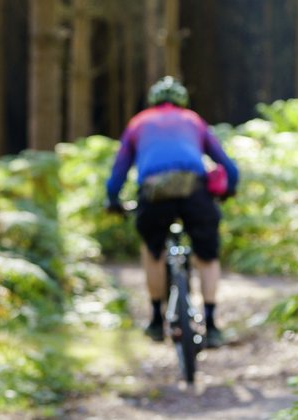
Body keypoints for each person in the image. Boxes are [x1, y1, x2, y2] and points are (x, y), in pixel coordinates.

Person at [105, 77, 239, 348]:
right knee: (207, 255)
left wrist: (113, 200)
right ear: (182, 102)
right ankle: (211, 324)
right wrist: (228, 190)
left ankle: (156, 321)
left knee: (152, 250)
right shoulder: (193, 120)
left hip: (153, 194)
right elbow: (228, 166)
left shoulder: (138, 123)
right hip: (194, 191)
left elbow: (119, 171)